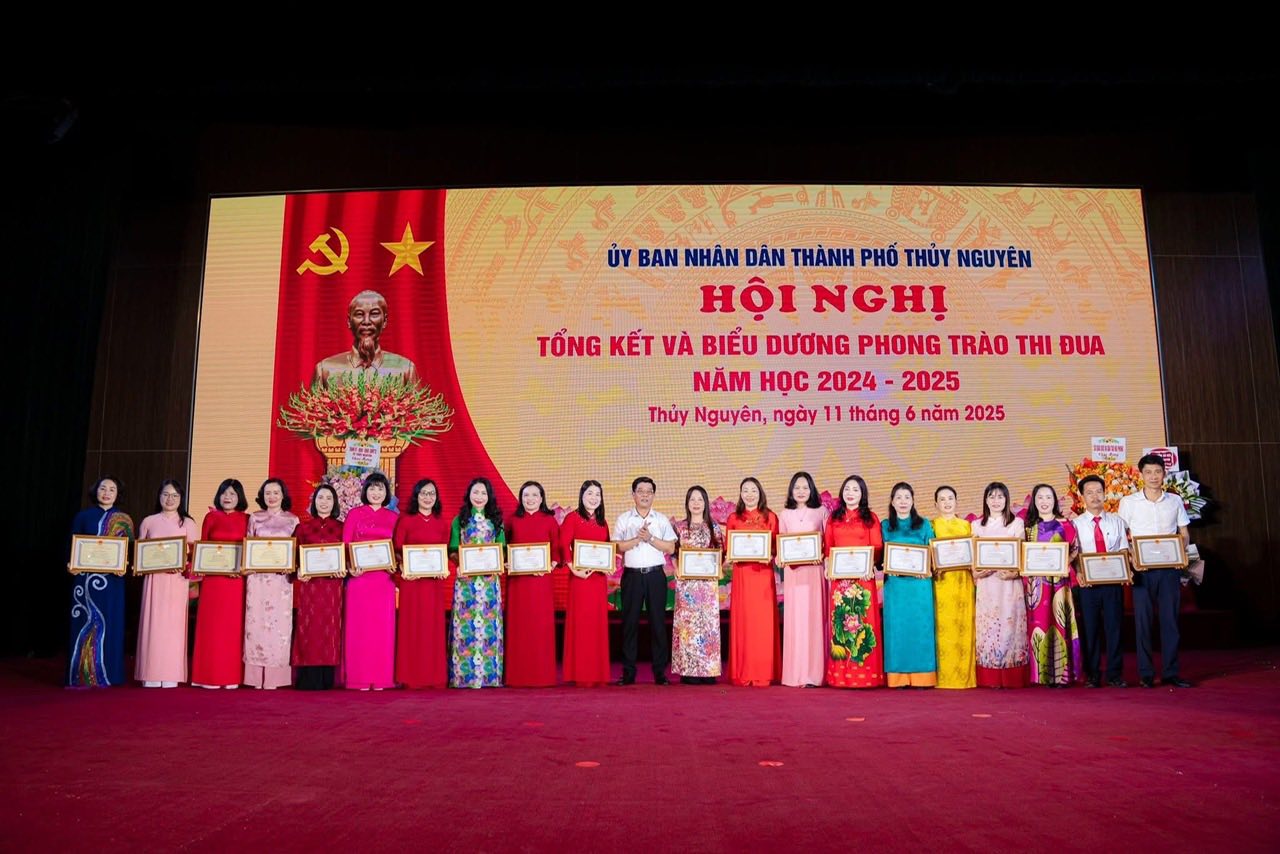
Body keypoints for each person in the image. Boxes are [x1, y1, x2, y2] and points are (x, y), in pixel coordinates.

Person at [1119, 453, 1193, 688]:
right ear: (1141, 475)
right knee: (1143, 622)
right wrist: (1132, 558)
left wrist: (1181, 552)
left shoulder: (1175, 501)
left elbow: (1184, 533)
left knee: (1170, 621)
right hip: (1142, 570)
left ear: (1164, 474)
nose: (1153, 476)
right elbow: (1122, 535)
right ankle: (1146, 674)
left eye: (1158, 472)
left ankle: (1171, 672)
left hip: (1169, 569)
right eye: (1148, 472)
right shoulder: (1129, 502)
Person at [66, 476, 133, 687]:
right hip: (85, 580)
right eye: (103, 488)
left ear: (118, 494)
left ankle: (110, 675)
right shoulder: (83, 516)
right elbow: (73, 544)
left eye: (112, 489)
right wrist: (71, 563)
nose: (106, 493)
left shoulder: (124, 519)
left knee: (111, 624)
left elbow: (129, 551)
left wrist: (125, 566)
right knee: (84, 622)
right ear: (95, 491)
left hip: (113, 582)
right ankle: (80, 675)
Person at [612, 476, 677, 685]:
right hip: (632, 576)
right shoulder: (624, 519)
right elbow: (617, 546)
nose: (645, 495)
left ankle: (660, 672)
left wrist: (650, 538)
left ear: (654, 495)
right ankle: (628, 673)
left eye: (649, 491)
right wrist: (637, 539)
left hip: (655, 576)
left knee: (658, 624)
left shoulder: (661, 519)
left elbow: (671, 548)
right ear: (633, 494)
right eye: (640, 491)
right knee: (629, 624)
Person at [135, 479, 199, 687]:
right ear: (159, 496)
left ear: (181, 499)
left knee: (174, 627)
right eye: (165, 494)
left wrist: (183, 565)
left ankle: (171, 673)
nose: (170, 499)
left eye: (174, 495)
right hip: (154, 581)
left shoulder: (188, 523)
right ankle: (150, 673)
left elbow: (194, 556)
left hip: (177, 581)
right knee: (152, 624)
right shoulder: (148, 521)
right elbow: (140, 553)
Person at [823, 475, 884, 688]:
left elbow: (877, 546)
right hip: (840, 582)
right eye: (847, 489)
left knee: (862, 625)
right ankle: (840, 675)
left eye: (856, 489)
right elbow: (828, 547)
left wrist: (870, 565)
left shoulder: (870, 517)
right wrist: (828, 566)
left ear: (862, 493)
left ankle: (865, 676)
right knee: (841, 625)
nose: (851, 493)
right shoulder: (834, 518)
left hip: (862, 581)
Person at [341, 472, 398, 690]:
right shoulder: (355, 514)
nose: (376, 493)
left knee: (381, 630)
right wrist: (350, 567)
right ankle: (359, 677)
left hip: (383, 580)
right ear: (365, 491)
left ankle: (381, 677)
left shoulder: (393, 517)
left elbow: (397, 548)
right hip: (360, 579)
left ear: (386, 493)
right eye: (372, 488)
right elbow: (346, 544)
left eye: (380, 489)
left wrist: (395, 564)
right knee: (360, 629)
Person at [392, 478, 451, 689]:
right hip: (411, 583)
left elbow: (444, 552)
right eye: (424, 493)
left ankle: (433, 676)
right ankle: (410, 676)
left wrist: (443, 568)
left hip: (433, 585)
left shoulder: (442, 523)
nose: (428, 497)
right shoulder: (406, 521)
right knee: (411, 627)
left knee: (432, 628)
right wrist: (402, 567)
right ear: (416, 496)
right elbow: (397, 550)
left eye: (432, 494)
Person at [448, 477, 505, 688]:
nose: (479, 497)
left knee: (489, 628)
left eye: (483, 493)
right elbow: (453, 549)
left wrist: (500, 563)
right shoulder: (459, 520)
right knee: (464, 629)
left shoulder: (496, 521)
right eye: (475, 492)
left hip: (489, 583)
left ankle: (490, 677)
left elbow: (502, 549)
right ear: (469, 495)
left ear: (489, 496)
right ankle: (462, 678)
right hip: (466, 583)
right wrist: (458, 564)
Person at [191, 479, 249, 689]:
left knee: (232, 628)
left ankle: (231, 676)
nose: (228, 497)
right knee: (211, 627)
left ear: (240, 497)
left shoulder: (247, 519)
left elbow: (251, 550)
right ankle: (208, 676)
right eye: (224, 493)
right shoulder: (210, 517)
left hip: (236, 582)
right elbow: (203, 547)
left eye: (233, 494)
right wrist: (200, 567)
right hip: (213, 581)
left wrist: (243, 568)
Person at [971, 482, 1029, 688]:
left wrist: (1014, 573)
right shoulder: (977, 525)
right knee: (989, 627)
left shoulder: (1017, 524)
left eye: (1000, 497)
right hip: (987, 583)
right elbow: (973, 556)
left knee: (1010, 624)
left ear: (1006, 500)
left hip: (1009, 584)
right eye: (992, 496)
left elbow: (1022, 554)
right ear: (986, 500)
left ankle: (1012, 675)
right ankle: (991, 677)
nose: (996, 501)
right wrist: (977, 571)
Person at [1023, 483, 1081, 686]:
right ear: (1034, 501)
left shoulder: (1066, 525)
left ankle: (1063, 674)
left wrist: (1066, 561)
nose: (1044, 501)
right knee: (1039, 626)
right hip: (1037, 587)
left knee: (1060, 623)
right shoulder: (1028, 528)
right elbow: (1021, 555)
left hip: (1059, 585)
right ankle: (1042, 675)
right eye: (1040, 497)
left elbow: (1074, 550)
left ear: (1054, 500)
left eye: (1048, 497)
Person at [725, 477, 781, 687]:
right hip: (742, 575)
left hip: (763, 576)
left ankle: (763, 672)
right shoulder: (733, 518)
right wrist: (730, 555)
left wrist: (771, 554)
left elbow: (776, 547)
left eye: (753, 491)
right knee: (744, 622)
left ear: (760, 493)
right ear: (740, 494)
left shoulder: (770, 517)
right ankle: (743, 671)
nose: (749, 494)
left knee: (762, 622)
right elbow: (729, 547)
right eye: (745, 490)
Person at [243, 478, 299, 689]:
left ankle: (275, 678)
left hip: (280, 581)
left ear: (283, 495)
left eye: (276, 492)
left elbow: (295, 551)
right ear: (262, 495)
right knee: (255, 626)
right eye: (268, 493)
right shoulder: (254, 518)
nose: (272, 496)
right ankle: (255, 678)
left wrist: (291, 566)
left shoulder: (292, 520)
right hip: (257, 580)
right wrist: (247, 565)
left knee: (279, 628)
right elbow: (248, 546)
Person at [1074, 474, 1129, 688]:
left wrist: (1125, 572)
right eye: (1089, 492)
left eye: (1099, 491)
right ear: (1082, 497)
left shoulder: (1117, 521)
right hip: (1088, 585)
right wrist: (1079, 572)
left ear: (1105, 494)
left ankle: (1115, 674)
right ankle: (1093, 674)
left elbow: (1123, 550)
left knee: (1115, 628)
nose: (1095, 496)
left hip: (1113, 583)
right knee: (1090, 629)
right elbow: (1075, 554)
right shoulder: (1076, 524)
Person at [881, 482, 937, 688]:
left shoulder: (924, 524)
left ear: (913, 501)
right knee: (897, 629)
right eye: (898, 497)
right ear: (892, 502)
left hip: (919, 586)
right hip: (896, 587)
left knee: (921, 628)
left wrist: (928, 567)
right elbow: (879, 555)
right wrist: (886, 565)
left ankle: (923, 676)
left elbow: (933, 552)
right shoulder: (885, 525)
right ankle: (898, 678)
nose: (903, 501)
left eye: (907, 497)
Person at [505, 480, 560, 688]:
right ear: (521, 498)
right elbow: (504, 548)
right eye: (526, 495)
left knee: (540, 627)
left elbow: (556, 550)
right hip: (518, 583)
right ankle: (517, 676)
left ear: (541, 498)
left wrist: (549, 566)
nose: (530, 499)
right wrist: (505, 561)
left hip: (541, 582)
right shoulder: (512, 520)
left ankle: (542, 675)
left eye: (535, 495)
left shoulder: (549, 520)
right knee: (519, 627)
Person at [671, 485, 724, 685]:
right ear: (687, 503)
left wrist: (717, 568)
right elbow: (673, 553)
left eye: (700, 499)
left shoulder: (714, 527)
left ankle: (708, 671)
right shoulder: (680, 527)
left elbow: (721, 552)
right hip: (687, 587)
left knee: (708, 628)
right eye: (692, 499)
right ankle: (689, 671)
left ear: (705, 503)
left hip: (707, 587)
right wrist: (676, 567)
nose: (696, 503)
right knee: (688, 628)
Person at [560, 480, 611, 686]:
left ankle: (597, 673)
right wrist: (573, 568)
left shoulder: (602, 522)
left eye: (597, 494)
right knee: (581, 625)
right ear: (582, 496)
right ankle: (578, 673)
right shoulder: (572, 518)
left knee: (596, 625)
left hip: (598, 581)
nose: (593, 498)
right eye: (590, 493)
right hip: (580, 579)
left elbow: (606, 549)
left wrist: (607, 566)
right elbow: (563, 544)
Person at [293, 484, 344, 690]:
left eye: (329, 498)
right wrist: (298, 570)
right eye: (320, 497)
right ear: (314, 502)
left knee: (329, 629)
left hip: (332, 588)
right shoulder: (303, 528)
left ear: (335, 503)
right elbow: (294, 556)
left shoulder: (341, 528)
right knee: (309, 629)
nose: (324, 502)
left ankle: (327, 678)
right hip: (310, 588)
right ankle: (307, 677)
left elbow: (347, 556)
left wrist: (344, 570)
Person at [778, 471, 827, 687]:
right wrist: (780, 557)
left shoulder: (821, 512)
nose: (801, 491)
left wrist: (822, 554)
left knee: (814, 620)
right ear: (791, 491)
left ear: (812, 490)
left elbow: (827, 542)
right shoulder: (784, 514)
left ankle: (814, 675)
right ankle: (794, 674)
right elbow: (781, 544)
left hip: (814, 574)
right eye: (797, 487)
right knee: (796, 621)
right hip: (794, 574)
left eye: (805, 487)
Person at [313, 290, 418, 385]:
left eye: (374, 314)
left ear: (385, 321)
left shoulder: (404, 369)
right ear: (349, 321)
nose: (366, 321)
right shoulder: (326, 370)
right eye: (359, 314)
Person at [932, 485, 976, 689]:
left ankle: (965, 677)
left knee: (964, 627)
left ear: (956, 501)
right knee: (943, 631)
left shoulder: (967, 526)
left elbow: (975, 554)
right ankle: (944, 677)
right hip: (941, 584)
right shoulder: (932, 526)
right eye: (942, 499)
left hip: (963, 583)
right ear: (936, 504)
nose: (947, 503)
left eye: (950, 498)